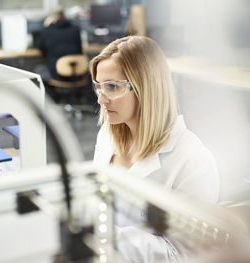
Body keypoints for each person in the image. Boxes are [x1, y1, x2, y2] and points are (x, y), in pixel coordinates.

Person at [90, 35, 220, 262]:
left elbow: (180, 255)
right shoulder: (108, 135)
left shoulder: (193, 160)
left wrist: (105, 238)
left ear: (145, 88)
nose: (101, 100)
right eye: (99, 87)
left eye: (111, 87)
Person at [36, 7, 83, 82]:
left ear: (52, 18)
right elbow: (80, 48)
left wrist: (46, 26)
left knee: (38, 71)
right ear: (64, 16)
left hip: (56, 74)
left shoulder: (47, 30)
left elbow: (39, 47)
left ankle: (54, 94)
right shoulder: (75, 29)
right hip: (77, 73)